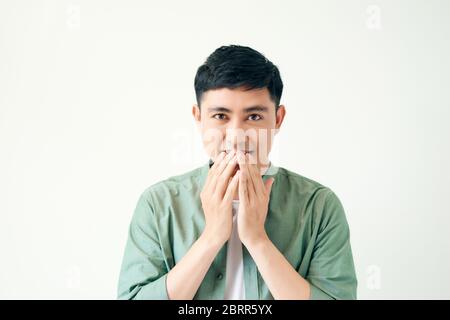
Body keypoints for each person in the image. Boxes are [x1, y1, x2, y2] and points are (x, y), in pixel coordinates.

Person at [117, 45, 357, 300]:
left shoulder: (319, 206)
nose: (236, 135)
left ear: (277, 119)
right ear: (198, 118)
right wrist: (211, 237)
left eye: (253, 117)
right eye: (220, 115)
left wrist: (257, 239)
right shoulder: (159, 203)